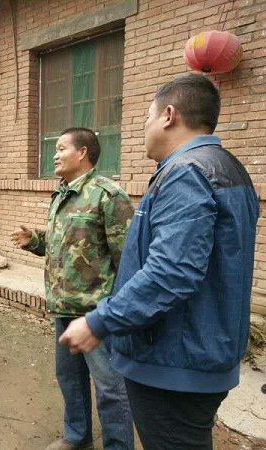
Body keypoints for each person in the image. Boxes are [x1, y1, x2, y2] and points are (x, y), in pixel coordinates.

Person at [62, 74, 259, 450]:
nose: (144, 127)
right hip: (201, 353)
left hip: (174, 362)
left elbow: (171, 271)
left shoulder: (186, 173)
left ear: (169, 115)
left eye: (147, 117)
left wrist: (100, 321)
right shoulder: (228, 168)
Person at [11, 128, 135, 450]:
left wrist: (117, 313)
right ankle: (78, 437)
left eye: (61, 148)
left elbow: (128, 261)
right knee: (70, 379)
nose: (54, 155)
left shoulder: (108, 195)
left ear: (82, 153)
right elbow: (65, 247)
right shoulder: (62, 194)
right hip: (63, 307)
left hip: (97, 313)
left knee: (110, 388)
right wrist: (35, 241)